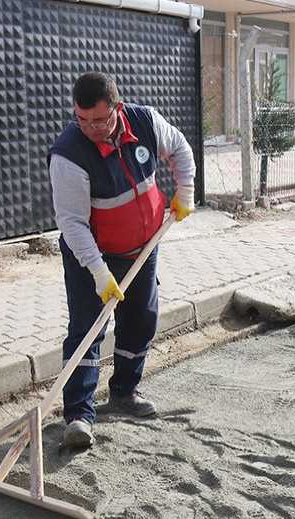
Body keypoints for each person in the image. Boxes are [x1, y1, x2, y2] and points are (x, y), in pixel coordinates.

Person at [49, 72, 195, 448]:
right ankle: (79, 415)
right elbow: (72, 223)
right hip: (91, 255)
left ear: (117, 107)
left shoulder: (145, 121)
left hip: (142, 248)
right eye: (82, 119)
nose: (91, 127)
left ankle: (124, 393)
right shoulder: (69, 154)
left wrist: (186, 191)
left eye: (99, 119)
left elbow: (179, 148)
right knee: (88, 328)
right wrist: (99, 273)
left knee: (142, 318)